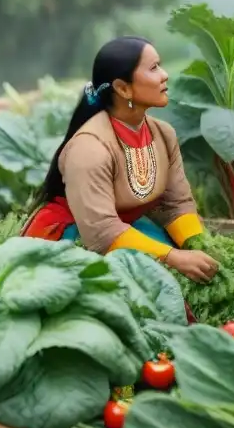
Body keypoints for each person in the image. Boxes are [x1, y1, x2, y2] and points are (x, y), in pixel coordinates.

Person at [22, 36, 219, 284]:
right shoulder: (89, 148)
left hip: (127, 229)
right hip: (78, 240)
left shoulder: (163, 134)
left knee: (193, 270)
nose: (165, 75)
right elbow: (101, 233)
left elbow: (175, 204)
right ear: (123, 88)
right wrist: (174, 257)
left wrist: (198, 244)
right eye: (154, 68)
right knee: (163, 281)